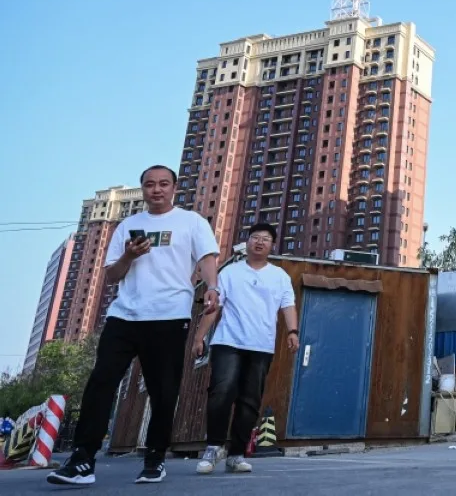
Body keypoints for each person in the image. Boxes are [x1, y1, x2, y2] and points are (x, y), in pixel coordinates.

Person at [48, 165, 219, 487]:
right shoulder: (128, 224)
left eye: (163, 184)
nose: (157, 190)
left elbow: (208, 258)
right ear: (143, 189)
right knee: (100, 384)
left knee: (163, 390)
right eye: (150, 185)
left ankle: (154, 459)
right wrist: (128, 256)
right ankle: (83, 459)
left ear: (174, 188)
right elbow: (111, 275)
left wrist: (212, 287)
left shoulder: (191, 222)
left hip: (169, 316)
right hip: (124, 315)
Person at [192, 222, 297, 475]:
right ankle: (213, 447)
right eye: (255, 237)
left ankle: (236, 454)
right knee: (221, 393)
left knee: (250, 400)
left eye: (266, 239)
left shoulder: (280, 276)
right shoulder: (229, 273)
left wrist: (293, 332)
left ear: (272, 246)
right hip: (228, 342)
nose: (259, 242)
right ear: (247, 242)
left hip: (261, 345)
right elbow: (214, 307)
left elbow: (288, 306)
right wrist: (199, 337)